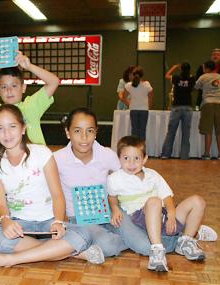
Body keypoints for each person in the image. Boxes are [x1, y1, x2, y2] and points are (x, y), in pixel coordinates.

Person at [0, 104, 104, 272]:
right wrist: (5, 221)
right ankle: (73, 253)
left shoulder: (42, 153)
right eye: (0, 129)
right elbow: (1, 204)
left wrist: (58, 222)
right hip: (21, 224)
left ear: (23, 128)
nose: (7, 133)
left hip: (49, 220)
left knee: (83, 234)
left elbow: (57, 194)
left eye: (12, 127)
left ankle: (7, 259)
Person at [108, 135, 206, 272]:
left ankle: (186, 241)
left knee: (197, 201)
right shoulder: (115, 178)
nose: (131, 163)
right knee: (154, 201)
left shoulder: (153, 175)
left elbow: (167, 197)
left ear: (145, 159)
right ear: (119, 159)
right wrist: (115, 209)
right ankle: (157, 250)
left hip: (163, 214)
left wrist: (172, 215)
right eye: (126, 158)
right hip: (140, 216)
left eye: (136, 158)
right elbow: (112, 198)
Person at [54, 108, 128, 257]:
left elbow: (125, 179)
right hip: (76, 219)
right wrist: (61, 218)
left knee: (138, 236)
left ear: (96, 132)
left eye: (90, 131)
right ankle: (80, 246)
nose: (84, 137)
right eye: (77, 131)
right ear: (68, 132)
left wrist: (118, 206)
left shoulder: (107, 155)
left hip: (107, 213)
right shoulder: (57, 159)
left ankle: (76, 245)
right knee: (110, 245)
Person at [161, 63, 196, 160]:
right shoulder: (192, 78)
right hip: (188, 107)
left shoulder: (176, 78)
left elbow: (167, 75)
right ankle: (184, 156)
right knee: (186, 133)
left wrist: (174, 67)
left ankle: (165, 154)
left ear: (181, 69)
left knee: (171, 132)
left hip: (176, 107)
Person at [194, 60, 220, 160]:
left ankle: (207, 154)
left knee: (207, 129)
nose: (203, 69)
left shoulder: (203, 77)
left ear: (207, 68)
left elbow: (196, 87)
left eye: (204, 68)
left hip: (207, 103)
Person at [123, 66, 154, 140]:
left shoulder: (128, 85)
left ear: (133, 75)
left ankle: (135, 149)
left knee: (134, 131)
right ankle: (142, 149)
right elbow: (151, 97)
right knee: (142, 131)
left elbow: (124, 98)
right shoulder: (147, 84)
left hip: (133, 109)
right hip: (144, 110)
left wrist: (129, 104)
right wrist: (149, 107)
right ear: (142, 75)